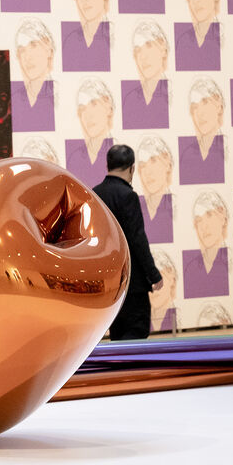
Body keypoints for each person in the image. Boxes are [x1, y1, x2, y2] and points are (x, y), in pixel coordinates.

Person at [92, 143, 163, 340]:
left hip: (109, 283)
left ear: (107, 165)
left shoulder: (95, 193)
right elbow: (137, 238)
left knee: (117, 334)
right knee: (137, 330)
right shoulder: (128, 196)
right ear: (132, 168)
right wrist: (153, 274)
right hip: (132, 282)